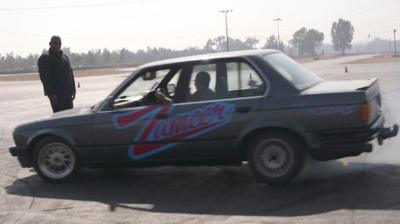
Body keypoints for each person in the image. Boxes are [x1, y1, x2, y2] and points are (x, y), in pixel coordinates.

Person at [38, 36, 76, 113]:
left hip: (68, 95)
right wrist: (51, 94)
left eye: (59, 43)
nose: (57, 45)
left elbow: (70, 74)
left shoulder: (65, 58)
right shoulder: (45, 58)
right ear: (50, 44)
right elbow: (45, 78)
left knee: (70, 117)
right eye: (55, 43)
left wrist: (73, 89)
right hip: (57, 96)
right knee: (60, 118)